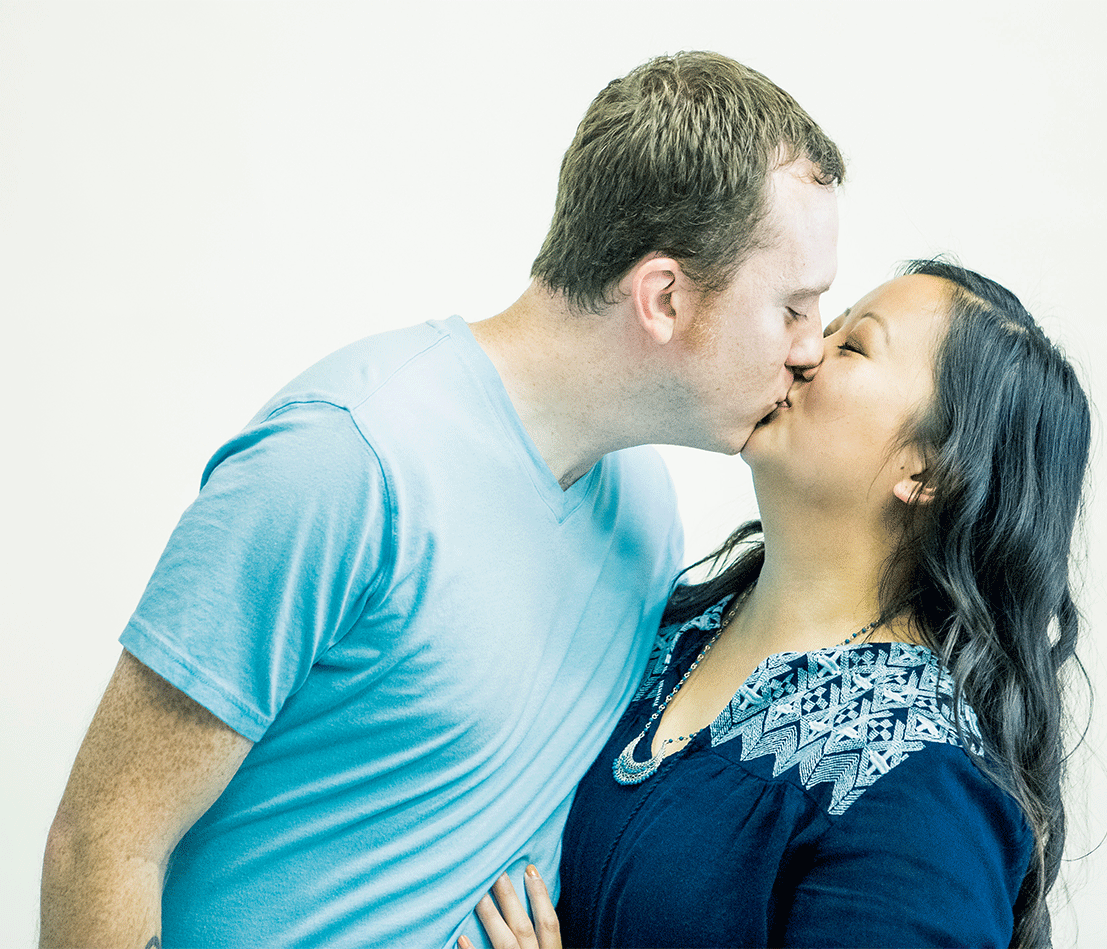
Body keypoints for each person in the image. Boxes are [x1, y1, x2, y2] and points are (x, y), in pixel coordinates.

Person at [39, 52, 844, 949]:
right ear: (663, 297)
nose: (812, 348)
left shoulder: (643, 515)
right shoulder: (346, 460)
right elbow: (100, 847)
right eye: (793, 308)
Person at [471, 259, 1091, 949]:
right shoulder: (663, 624)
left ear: (928, 469)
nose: (801, 350)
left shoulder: (924, 794)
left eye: (853, 345)